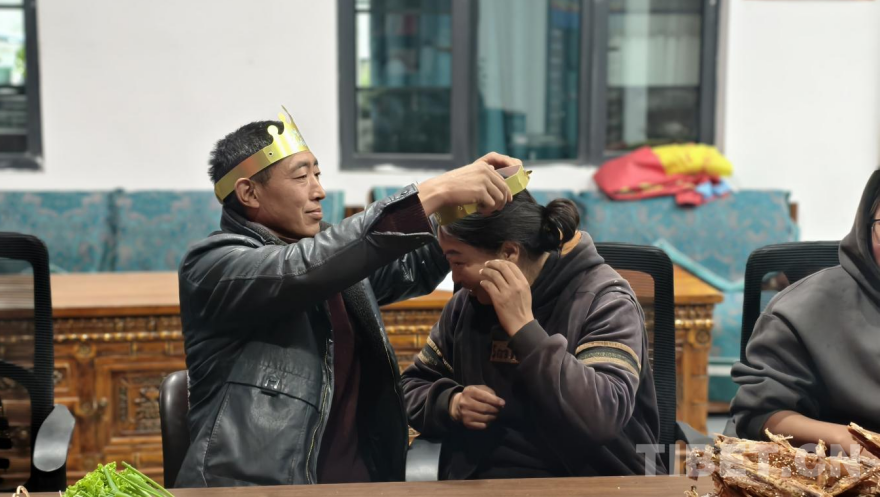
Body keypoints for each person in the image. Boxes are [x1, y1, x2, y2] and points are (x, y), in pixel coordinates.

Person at [175, 108, 521, 487]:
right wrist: (435, 191)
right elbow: (301, 268)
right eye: (301, 177)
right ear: (249, 193)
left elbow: (410, 265)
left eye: (318, 174)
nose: (319, 190)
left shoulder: (334, 258)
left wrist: (467, 200)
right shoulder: (212, 266)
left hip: (359, 483)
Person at [400, 191, 663, 479]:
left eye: (459, 262)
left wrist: (524, 328)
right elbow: (411, 386)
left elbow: (601, 417)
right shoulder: (468, 304)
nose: (456, 279)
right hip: (485, 480)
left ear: (509, 253)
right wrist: (452, 403)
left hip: (592, 481)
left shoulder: (604, 301)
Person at [731, 170, 880, 453]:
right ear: (865, 227)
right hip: (842, 468)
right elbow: (761, 414)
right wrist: (854, 442)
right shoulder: (801, 310)